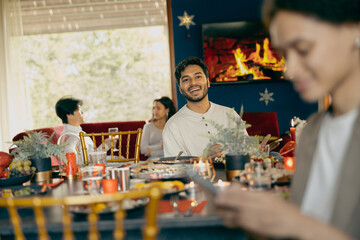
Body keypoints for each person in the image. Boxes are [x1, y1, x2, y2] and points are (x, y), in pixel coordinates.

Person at [215, 0, 360, 239]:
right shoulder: (314, 129)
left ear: (354, 29)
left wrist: (293, 223)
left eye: (303, 49)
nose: (288, 69)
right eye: (282, 54)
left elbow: (303, 226)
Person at [163, 56, 248, 157]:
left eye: (198, 77)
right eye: (186, 80)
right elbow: (176, 169)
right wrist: (203, 160)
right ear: (180, 89)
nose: (193, 83)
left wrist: (257, 153)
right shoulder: (173, 126)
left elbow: (246, 153)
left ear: (208, 82)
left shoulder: (230, 114)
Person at [55, 97, 116, 163]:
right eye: (79, 110)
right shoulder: (71, 137)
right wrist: (105, 147)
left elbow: (88, 157)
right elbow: (79, 163)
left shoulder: (79, 132)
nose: (82, 112)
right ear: (69, 115)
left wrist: (111, 155)